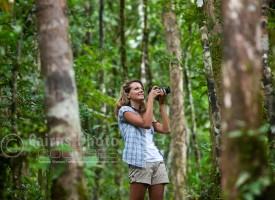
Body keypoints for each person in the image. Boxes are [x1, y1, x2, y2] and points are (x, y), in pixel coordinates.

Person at [114, 79, 170, 200]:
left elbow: (166, 129)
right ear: (128, 94)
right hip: (140, 161)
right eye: (136, 88)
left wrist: (161, 104)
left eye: (142, 88)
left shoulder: (146, 112)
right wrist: (150, 99)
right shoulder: (125, 111)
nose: (141, 90)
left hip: (157, 160)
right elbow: (145, 124)